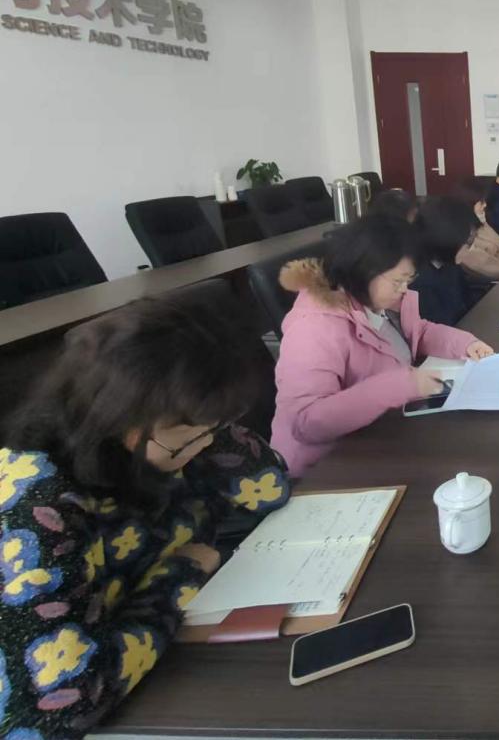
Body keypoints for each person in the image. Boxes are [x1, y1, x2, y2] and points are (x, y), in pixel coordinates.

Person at [0, 297, 291, 737]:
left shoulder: (164, 440)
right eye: (190, 438)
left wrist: (206, 424)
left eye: (214, 430)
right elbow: (65, 705)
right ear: (121, 421)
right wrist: (181, 573)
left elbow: (269, 489)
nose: (205, 445)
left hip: (155, 653)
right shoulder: (37, 507)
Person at [272, 215, 494, 476]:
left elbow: (417, 332)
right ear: (363, 271)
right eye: (398, 281)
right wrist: (397, 386)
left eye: (409, 279)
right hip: (324, 469)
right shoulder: (314, 327)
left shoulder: (378, 300)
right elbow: (306, 423)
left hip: (381, 433)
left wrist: (466, 343)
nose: (404, 289)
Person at [412, 196, 482, 326]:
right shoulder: (420, 283)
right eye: (468, 242)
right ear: (446, 239)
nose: (472, 247)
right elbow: (441, 327)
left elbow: (468, 301)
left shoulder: (449, 264)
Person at [453, 178, 499, 282]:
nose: (485, 205)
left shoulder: (481, 225)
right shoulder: (464, 240)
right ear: (468, 205)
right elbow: (496, 271)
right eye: (481, 202)